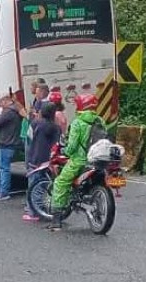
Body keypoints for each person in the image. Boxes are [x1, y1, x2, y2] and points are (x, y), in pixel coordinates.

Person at [49, 94, 104, 231]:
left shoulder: (77, 123)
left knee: (61, 182)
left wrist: (65, 151)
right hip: (96, 160)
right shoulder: (99, 121)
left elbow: (72, 146)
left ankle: (56, 219)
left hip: (79, 161)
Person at [24, 102, 62, 221]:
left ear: (41, 112)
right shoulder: (56, 127)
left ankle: (32, 212)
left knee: (33, 185)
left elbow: (28, 139)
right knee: (46, 184)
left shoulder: (35, 123)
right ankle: (44, 208)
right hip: (49, 160)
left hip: (35, 158)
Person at [0, 94, 23, 202]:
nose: (0, 106)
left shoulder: (9, 112)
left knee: (3, 168)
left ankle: (3, 192)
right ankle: (0, 189)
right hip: (8, 143)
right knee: (1, 167)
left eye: (0, 103)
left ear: (6, 101)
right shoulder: (14, 111)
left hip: (6, 143)